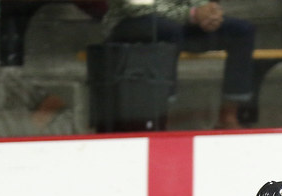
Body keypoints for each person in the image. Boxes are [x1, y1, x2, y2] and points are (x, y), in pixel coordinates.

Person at [103, 0, 256, 128]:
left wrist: (209, 13)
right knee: (169, 29)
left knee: (242, 30)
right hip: (130, 23)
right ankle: (162, 118)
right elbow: (136, 7)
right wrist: (193, 14)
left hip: (179, 23)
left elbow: (198, 4)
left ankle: (228, 116)